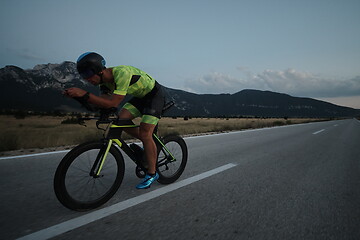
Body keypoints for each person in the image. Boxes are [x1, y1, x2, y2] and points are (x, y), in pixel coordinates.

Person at [64, 52, 165, 189]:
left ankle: (152, 173)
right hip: (140, 98)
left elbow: (113, 104)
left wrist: (84, 93)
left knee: (145, 133)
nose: (86, 79)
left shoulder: (121, 73)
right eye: (83, 76)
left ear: (98, 69)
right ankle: (149, 145)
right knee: (120, 121)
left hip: (155, 96)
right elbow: (103, 103)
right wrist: (79, 97)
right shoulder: (104, 83)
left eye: (88, 73)